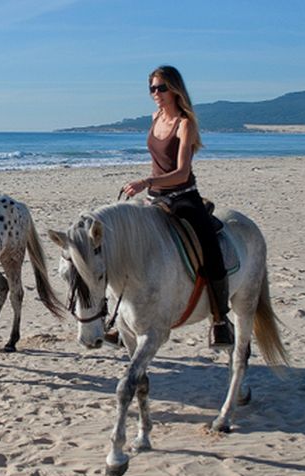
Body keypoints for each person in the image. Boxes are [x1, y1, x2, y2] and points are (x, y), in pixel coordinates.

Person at [121, 65, 234, 348]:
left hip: (184, 195)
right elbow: (156, 160)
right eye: (152, 89)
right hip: (156, 197)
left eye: (161, 88)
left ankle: (220, 319)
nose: (155, 94)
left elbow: (182, 171)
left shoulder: (186, 123)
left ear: (174, 89)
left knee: (209, 247)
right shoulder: (154, 117)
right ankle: (120, 320)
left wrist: (146, 181)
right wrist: (150, 191)